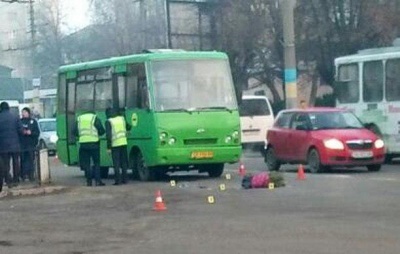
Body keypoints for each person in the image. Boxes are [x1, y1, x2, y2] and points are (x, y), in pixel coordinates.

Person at [74, 111, 106, 186]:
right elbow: (101, 130)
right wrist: (98, 134)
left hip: (83, 144)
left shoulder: (79, 119)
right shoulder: (94, 118)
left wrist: (81, 136)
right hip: (94, 144)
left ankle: (89, 182)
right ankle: (98, 181)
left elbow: (74, 131)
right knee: (97, 163)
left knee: (87, 164)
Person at [0, 102, 23, 187]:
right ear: (8, 107)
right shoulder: (15, 117)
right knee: (16, 162)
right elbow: (20, 130)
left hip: (3, 146)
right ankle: (16, 180)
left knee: (5, 164)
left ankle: (8, 179)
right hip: (15, 144)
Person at [105, 108, 131, 185]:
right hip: (123, 143)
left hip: (115, 144)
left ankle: (118, 181)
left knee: (116, 163)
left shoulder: (109, 121)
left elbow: (108, 136)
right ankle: (125, 180)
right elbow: (129, 127)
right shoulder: (121, 119)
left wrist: (108, 147)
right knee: (123, 162)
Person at [20, 107, 40, 181]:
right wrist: (23, 132)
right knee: (23, 160)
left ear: (28, 113)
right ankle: (23, 175)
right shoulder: (20, 121)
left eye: (25, 112)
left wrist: (31, 133)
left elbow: (37, 133)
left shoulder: (33, 121)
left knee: (31, 160)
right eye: (22, 112)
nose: (23, 113)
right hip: (22, 145)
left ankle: (31, 175)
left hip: (31, 144)